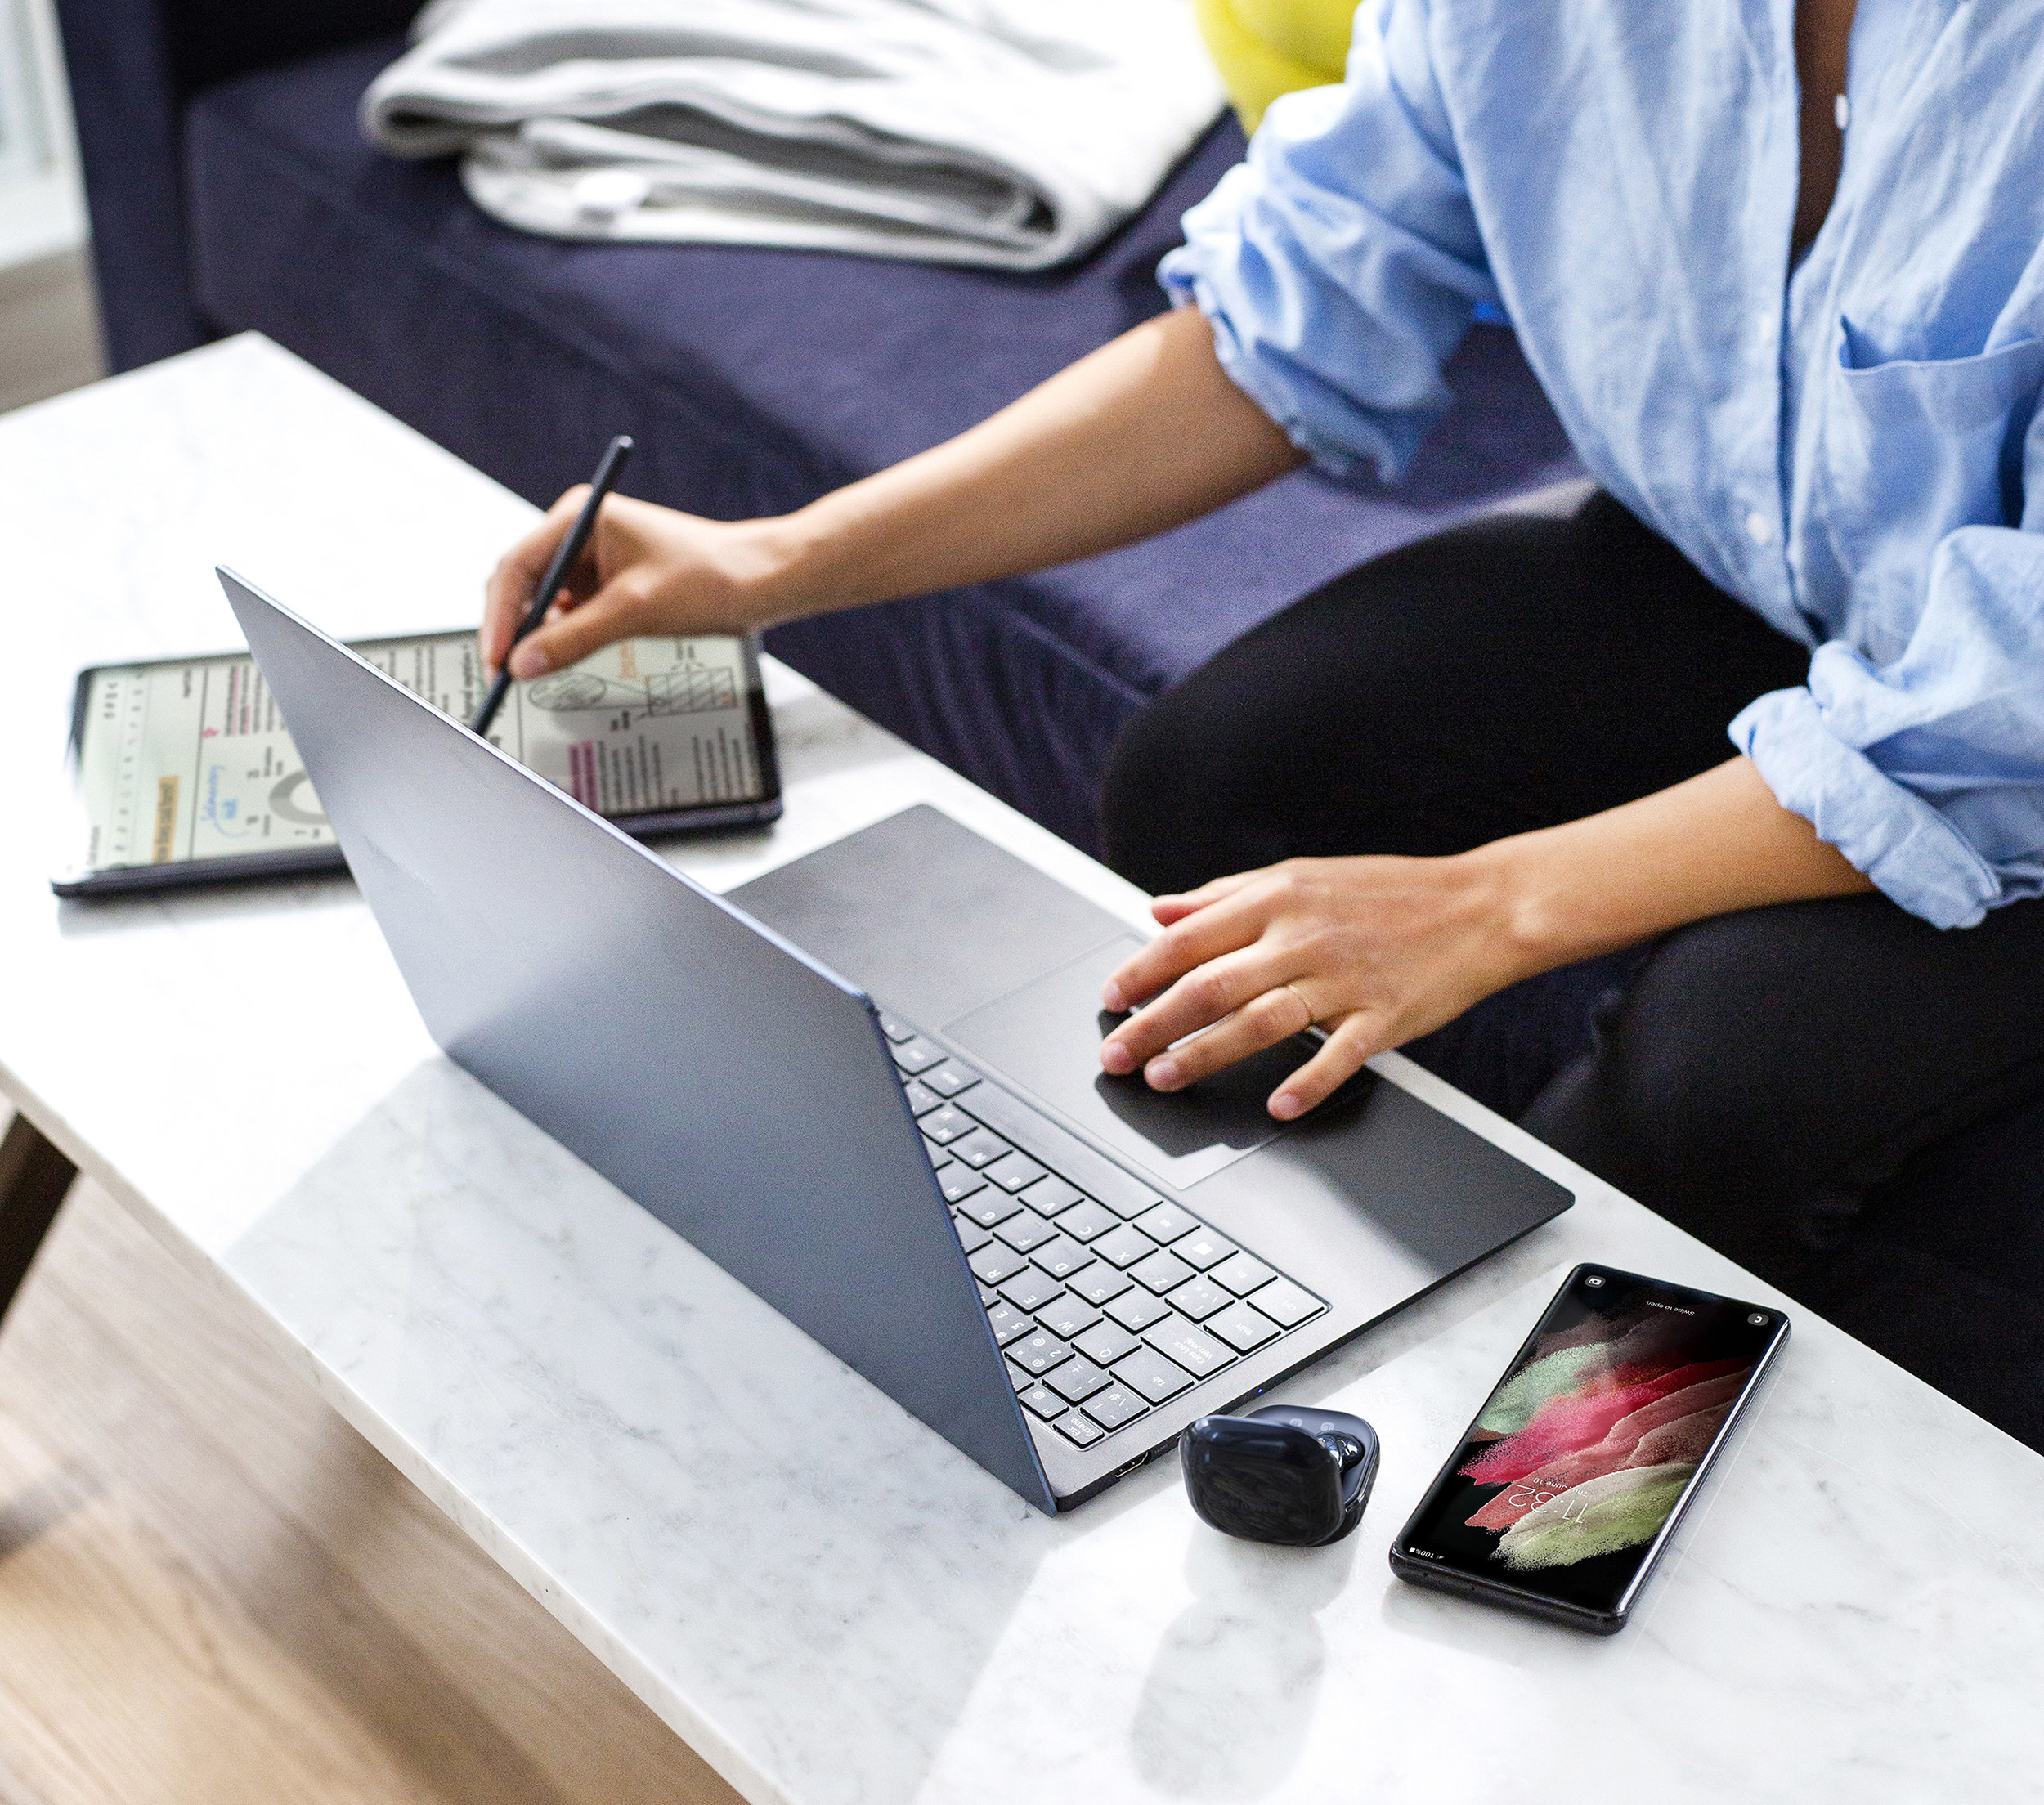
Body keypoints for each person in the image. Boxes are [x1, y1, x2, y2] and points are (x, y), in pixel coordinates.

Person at [480, 0, 2044, 1292]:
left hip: (2016, 724)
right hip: (1765, 570)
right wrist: (776, 560)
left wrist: (1486, 908)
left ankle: (1546, 1517)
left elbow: (2005, 708)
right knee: (1215, 781)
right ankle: (1237, 1319)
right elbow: (1285, 316)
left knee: (1722, 1083)